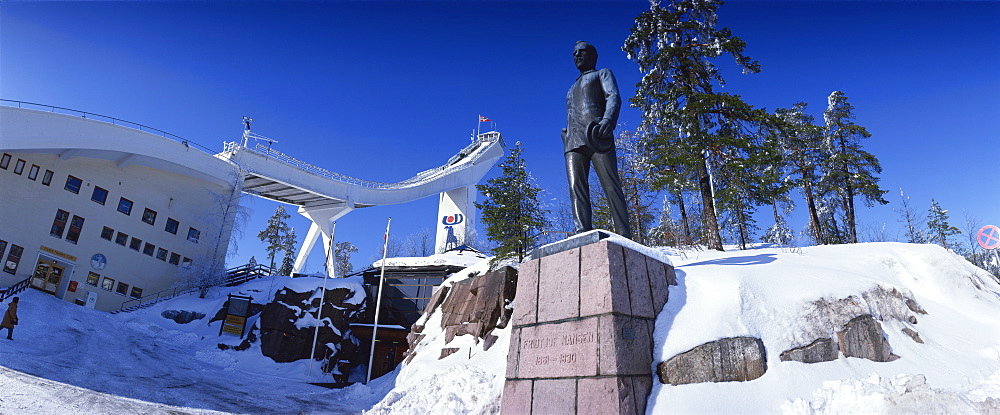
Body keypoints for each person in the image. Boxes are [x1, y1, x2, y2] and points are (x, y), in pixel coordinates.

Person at [562, 41, 632, 238]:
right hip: (572, 141)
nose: (577, 55)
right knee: (576, 187)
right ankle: (581, 231)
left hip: (596, 135)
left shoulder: (603, 73)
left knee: (611, 185)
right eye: (574, 53)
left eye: (582, 52)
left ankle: (624, 235)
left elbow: (613, 97)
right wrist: (566, 135)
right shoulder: (571, 88)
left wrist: (608, 120)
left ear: (593, 55)